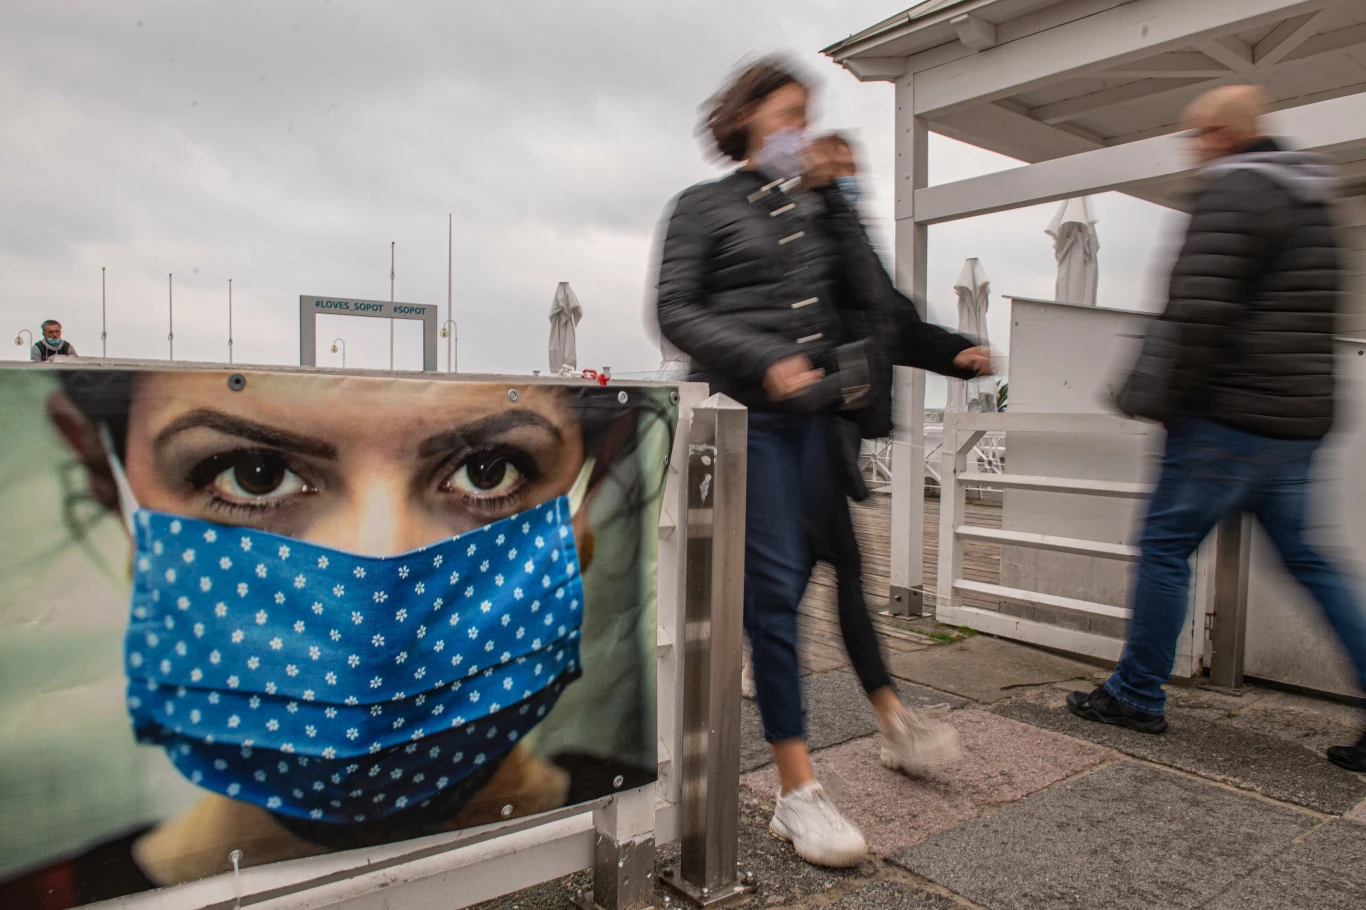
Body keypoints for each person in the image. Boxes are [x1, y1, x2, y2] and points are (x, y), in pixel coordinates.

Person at [0, 368, 668, 906]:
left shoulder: (665, 822)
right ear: (108, 478)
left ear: (592, 485)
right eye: (254, 473)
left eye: (488, 470)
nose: (377, 606)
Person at [655, 57, 990, 869]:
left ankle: (826, 759)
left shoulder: (812, 209)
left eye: (805, 117)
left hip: (816, 427)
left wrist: (952, 350)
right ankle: (798, 791)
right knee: (775, 600)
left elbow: (876, 308)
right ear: (744, 119)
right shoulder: (702, 206)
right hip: (745, 426)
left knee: (813, 587)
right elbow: (676, 310)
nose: (799, 132)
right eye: (787, 116)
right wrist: (764, 358)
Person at [1067, 85, 1366, 774]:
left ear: (1225, 134)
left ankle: (1136, 693)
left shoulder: (1233, 192)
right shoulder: (1312, 200)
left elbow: (1198, 310)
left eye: (1198, 134)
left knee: (1164, 547)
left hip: (1225, 417)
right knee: (1311, 562)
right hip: (1295, 423)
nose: (1193, 148)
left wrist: (1168, 402)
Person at [803, 132, 989, 770]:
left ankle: (756, 666)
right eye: (836, 165)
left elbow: (893, 324)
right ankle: (891, 720)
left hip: (835, 431)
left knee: (808, 573)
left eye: (851, 167)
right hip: (804, 427)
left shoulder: (849, 233)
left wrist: (957, 353)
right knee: (843, 566)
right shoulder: (807, 229)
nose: (846, 175)